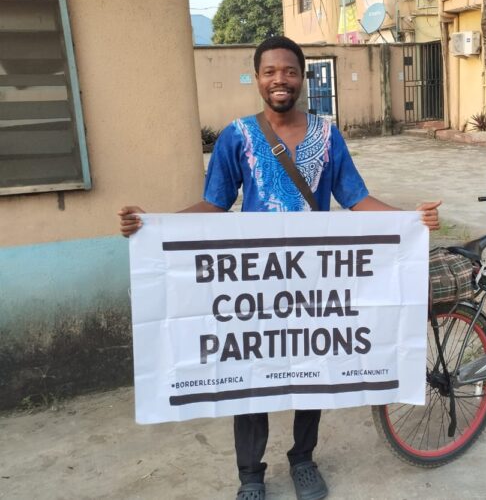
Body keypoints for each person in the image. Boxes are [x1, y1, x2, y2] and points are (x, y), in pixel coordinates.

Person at [119, 35, 441, 500]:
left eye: (289, 71)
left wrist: (412, 219)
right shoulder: (237, 136)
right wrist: (149, 226)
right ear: (257, 77)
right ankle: (250, 474)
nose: (279, 80)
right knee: (251, 370)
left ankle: (303, 459)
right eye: (269, 72)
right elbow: (215, 203)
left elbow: (354, 198)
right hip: (257, 282)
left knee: (313, 367)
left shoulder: (327, 134)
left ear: (302, 76)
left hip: (314, 281)